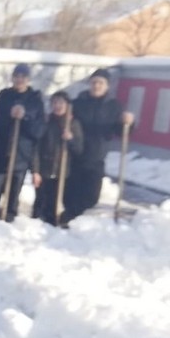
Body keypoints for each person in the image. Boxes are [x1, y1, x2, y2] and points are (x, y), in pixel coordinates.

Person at [63, 68, 135, 223]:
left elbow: (120, 131)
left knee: (91, 196)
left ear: (107, 86)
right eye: (94, 82)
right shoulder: (77, 103)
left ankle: (78, 220)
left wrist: (128, 123)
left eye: (101, 83)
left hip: (96, 156)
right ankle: (67, 221)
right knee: (70, 193)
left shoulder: (114, 106)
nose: (97, 86)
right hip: (75, 154)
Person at [0, 63, 45, 222]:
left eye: (23, 77)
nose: (19, 80)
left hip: (21, 156)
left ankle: (9, 221)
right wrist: (7, 117)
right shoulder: (3, 98)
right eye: (16, 76)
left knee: (13, 196)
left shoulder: (35, 102)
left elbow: (38, 131)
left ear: (28, 79)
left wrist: (25, 117)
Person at [31, 91, 84, 225]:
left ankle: (52, 228)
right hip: (45, 170)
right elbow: (36, 148)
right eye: (54, 102)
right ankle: (34, 227)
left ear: (67, 105)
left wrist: (70, 139)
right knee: (40, 202)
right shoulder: (46, 122)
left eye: (60, 103)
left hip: (63, 172)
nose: (57, 106)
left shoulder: (73, 124)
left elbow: (79, 149)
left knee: (54, 203)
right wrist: (35, 171)